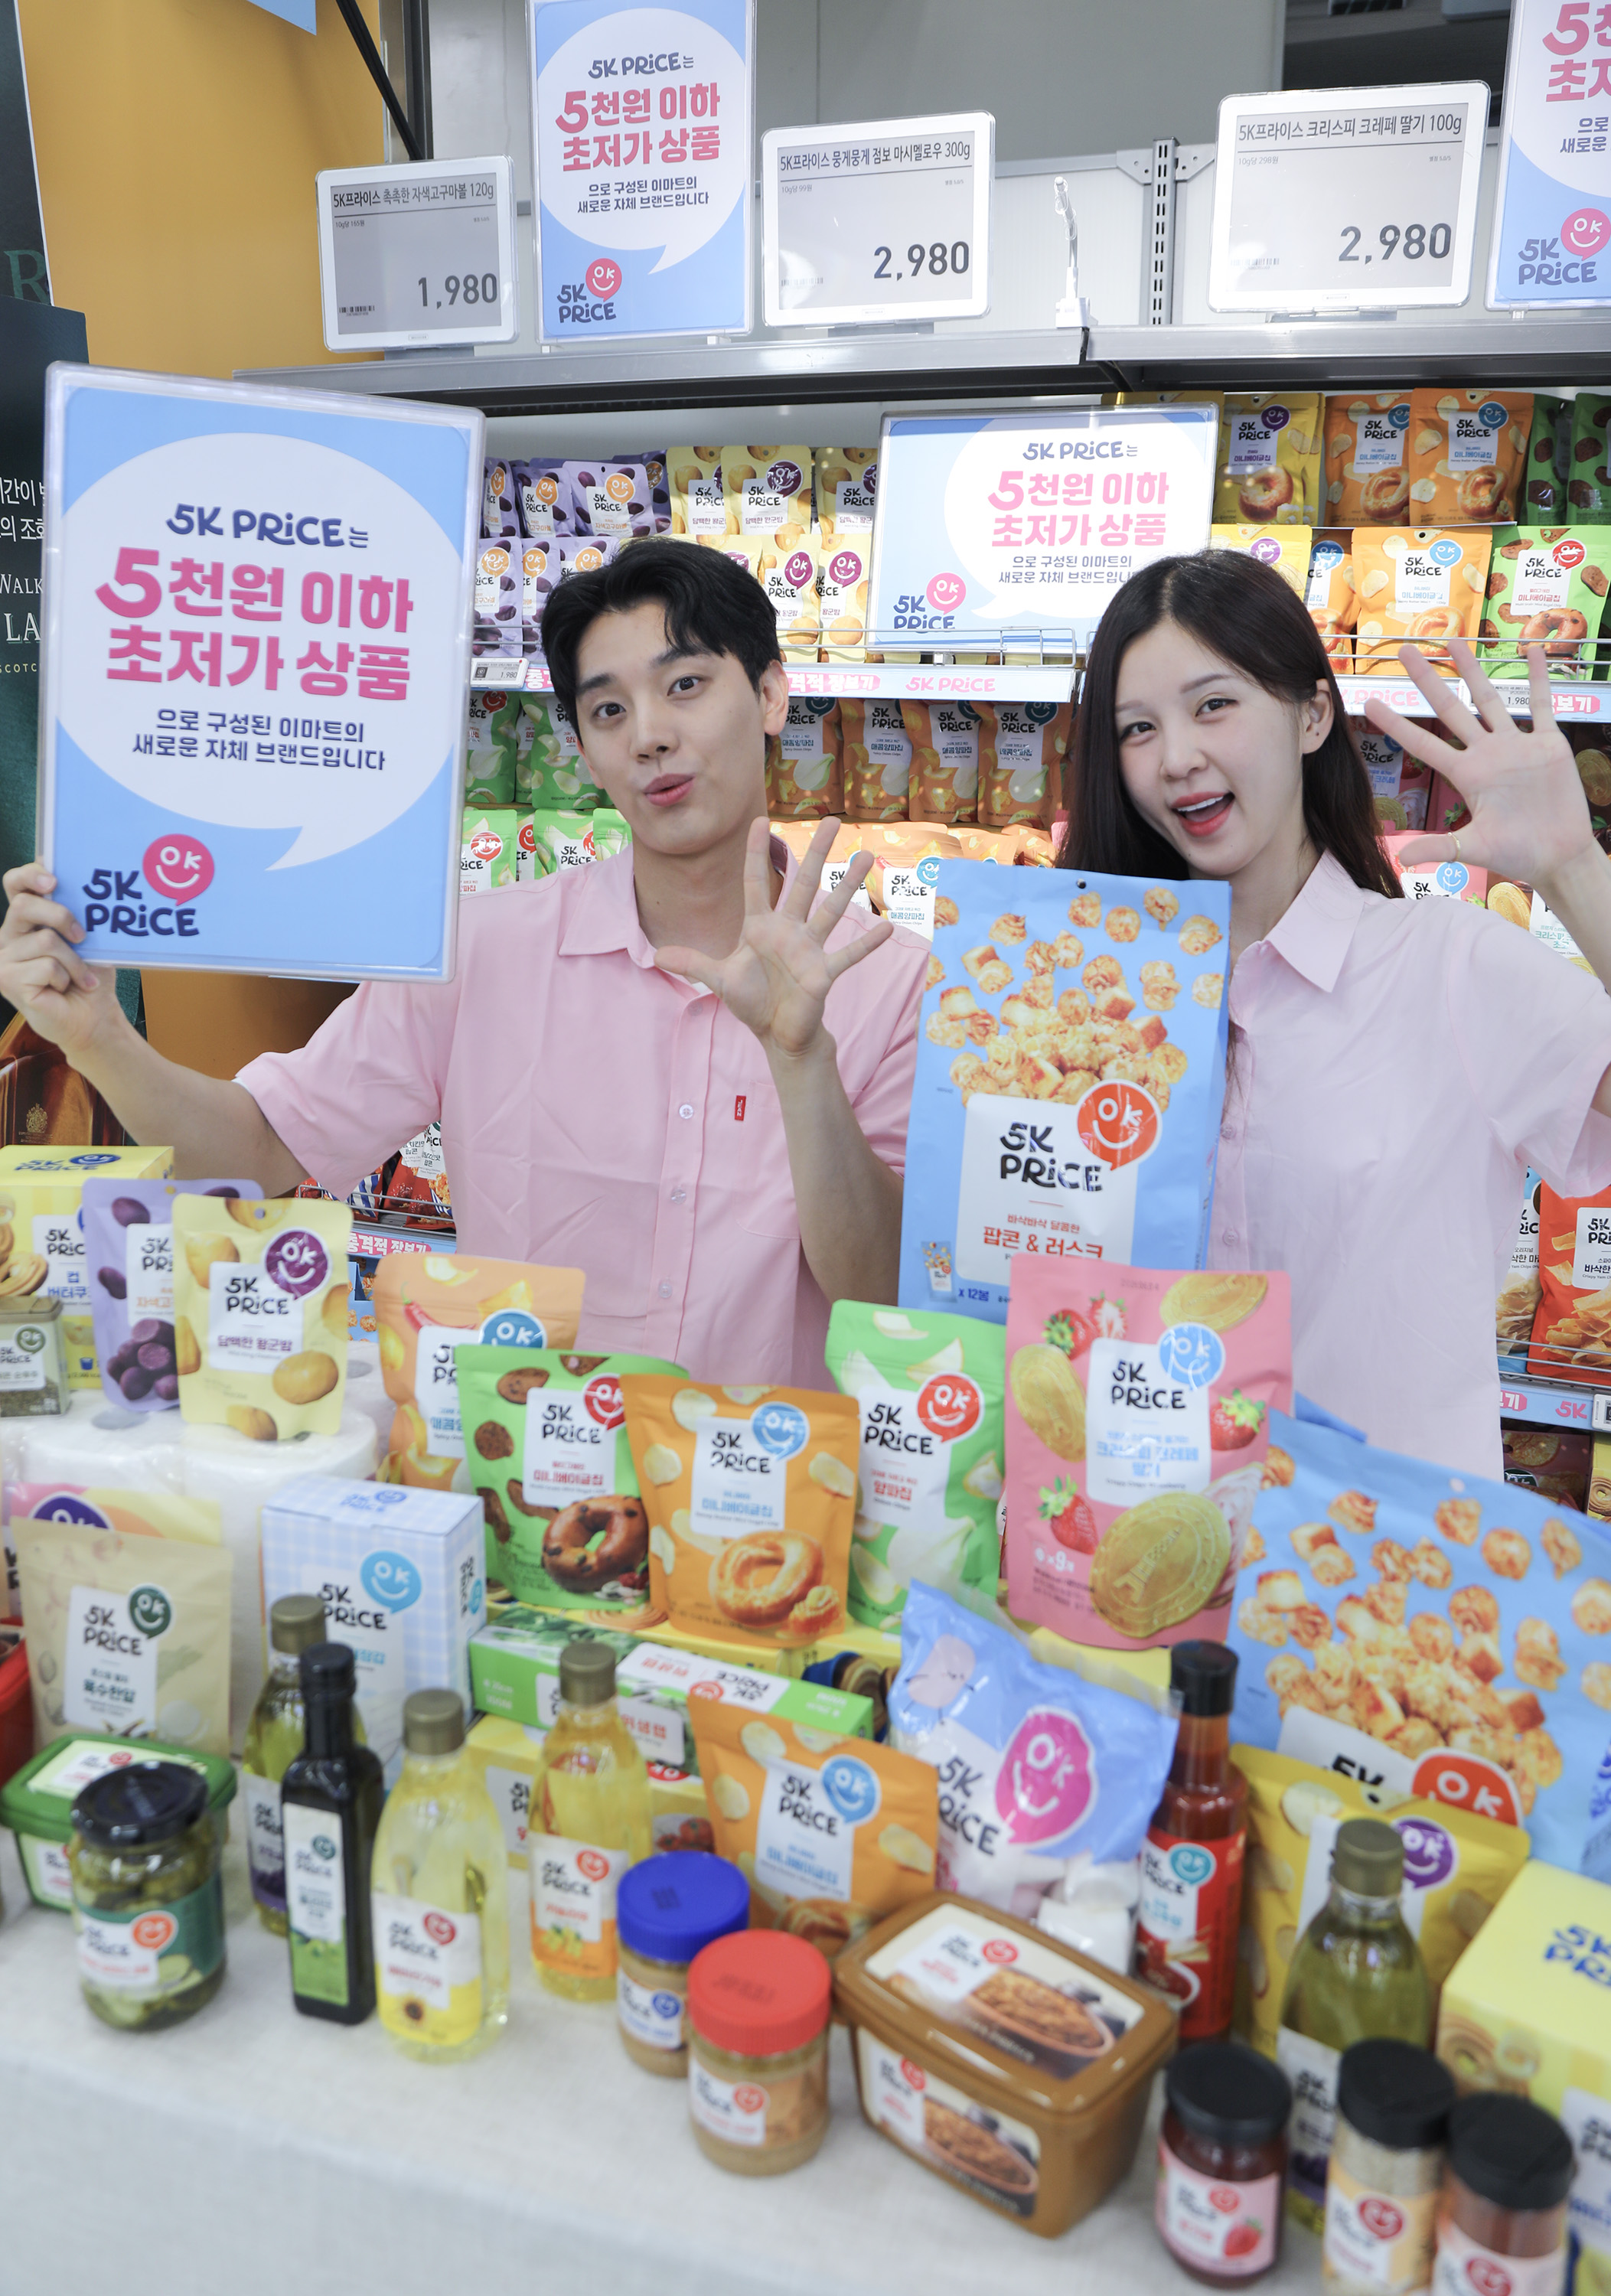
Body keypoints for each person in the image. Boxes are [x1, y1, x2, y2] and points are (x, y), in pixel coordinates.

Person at [0, 543, 928, 1385]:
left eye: (684, 685)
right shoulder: (478, 951)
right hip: (520, 1477)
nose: (648, 734)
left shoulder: (893, 984)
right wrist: (98, 1034)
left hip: (774, 1488)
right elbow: (252, 1151)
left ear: (770, 695)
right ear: (583, 749)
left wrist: (802, 1062)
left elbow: (888, 1293)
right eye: (608, 709)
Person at [1059, 547, 1611, 1476]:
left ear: (1312, 714)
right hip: (1134, 1534)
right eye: (1136, 728)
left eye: (1212, 705)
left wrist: (1573, 867)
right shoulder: (1075, 1001)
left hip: (1386, 1554)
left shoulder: (1448, 966)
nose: (1176, 758)